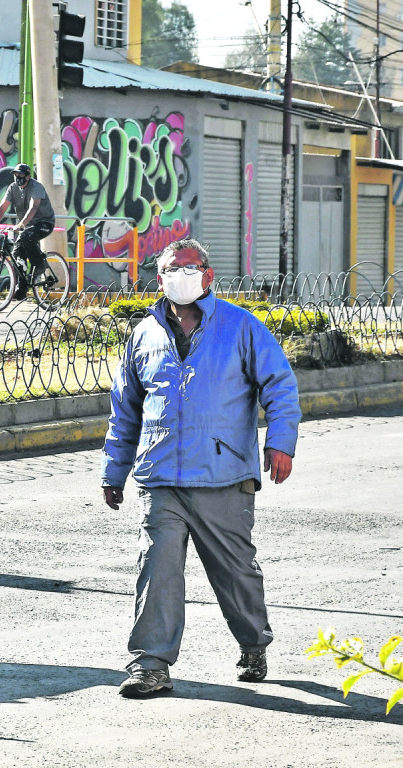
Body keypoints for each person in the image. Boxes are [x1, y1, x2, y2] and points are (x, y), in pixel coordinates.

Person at [100, 238, 301, 699]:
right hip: (162, 477)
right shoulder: (144, 334)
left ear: (209, 276)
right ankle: (150, 664)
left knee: (235, 573)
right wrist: (115, 471)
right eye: (174, 268)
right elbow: (125, 409)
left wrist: (281, 443)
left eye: (192, 268)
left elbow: (280, 387)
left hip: (223, 476)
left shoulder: (241, 326)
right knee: (157, 569)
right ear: (159, 278)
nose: (183, 275)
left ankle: (253, 643)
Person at [0, 163, 56, 300]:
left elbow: (33, 207)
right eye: (16, 175)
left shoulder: (36, 187)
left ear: (28, 176)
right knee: (17, 253)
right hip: (27, 226)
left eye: (21, 175)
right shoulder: (12, 188)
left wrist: (20, 224)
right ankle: (22, 289)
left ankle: (40, 264)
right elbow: (2, 207)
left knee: (26, 237)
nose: (18, 178)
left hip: (44, 223)